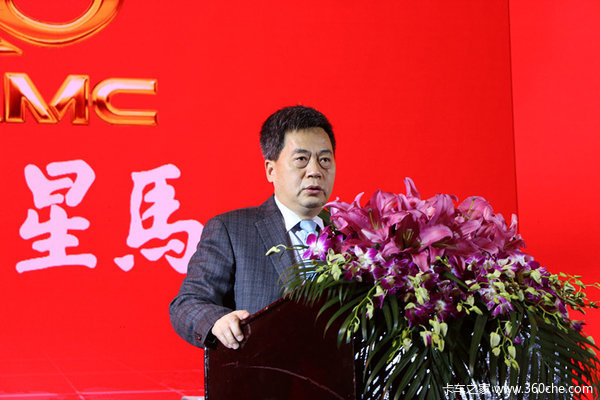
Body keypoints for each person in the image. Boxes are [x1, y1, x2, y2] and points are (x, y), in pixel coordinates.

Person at [169, 105, 336, 350]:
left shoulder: (352, 234)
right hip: (264, 369)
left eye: (325, 160)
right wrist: (218, 321)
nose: (315, 171)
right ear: (271, 170)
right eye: (301, 159)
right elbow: (187, 304)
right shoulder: (231, 230)